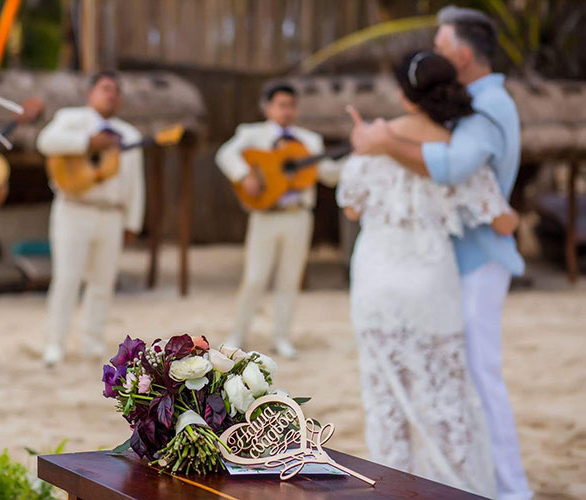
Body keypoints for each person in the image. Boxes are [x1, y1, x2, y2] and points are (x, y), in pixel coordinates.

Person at [349, 6, 531, 500]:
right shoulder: (468, 107)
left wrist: (382, 139)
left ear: (463, 54)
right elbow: (487, 200)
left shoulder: (488, 107)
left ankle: (509, 490)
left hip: (465, 265)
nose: (437, 50)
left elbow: (452, 168)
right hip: (441, 266)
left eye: (442, 42)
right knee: (452, 386)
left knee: (471, 384)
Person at [215, 83, 341, 358]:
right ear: (268, 107)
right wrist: (243, 175)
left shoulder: (310, 141)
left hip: (298, 215)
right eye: (281, 105)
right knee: (255, 277)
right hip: (265, 216)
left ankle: (281, 336)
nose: (287, 111)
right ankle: (238, 333)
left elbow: (328, 174)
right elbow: (225, 154)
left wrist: (351, 162)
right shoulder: (251, 134)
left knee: (290, 278)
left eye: (291, 105)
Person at [37, 71, 144, 367]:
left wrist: (133, 221)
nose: (112, 94)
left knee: (102, 282)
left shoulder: (130, 134)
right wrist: (88, 142)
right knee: (67, 279)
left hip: (111, 214)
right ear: (91, 93)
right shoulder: (71, 119)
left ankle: (92, 342)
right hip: (74, 208)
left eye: (116, 90)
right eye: (106, 88)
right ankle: (55, 343)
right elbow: (46, 141)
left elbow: (135, 181)